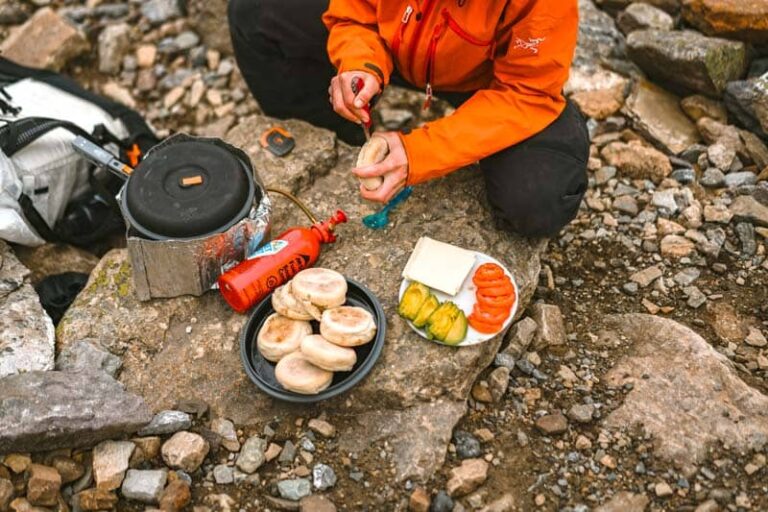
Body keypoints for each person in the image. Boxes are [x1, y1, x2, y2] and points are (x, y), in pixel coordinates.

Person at [228, 0, 589, 237]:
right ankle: (341, 133)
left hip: (488, 77)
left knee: (538, 200)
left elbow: (527, 91)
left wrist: (420, 152)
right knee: (257, 11)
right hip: (396, 40)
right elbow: (355, 11)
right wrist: (359, 63)